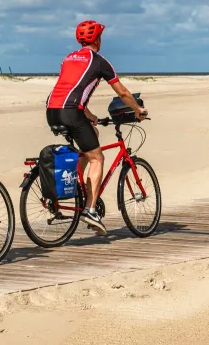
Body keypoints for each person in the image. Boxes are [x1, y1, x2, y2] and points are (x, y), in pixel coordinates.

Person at [46, 20, 147, 236]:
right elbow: (123, 93)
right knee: (97, 158)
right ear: (98, 39)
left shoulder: (69, 58)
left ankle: (72, 190)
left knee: (89, 139)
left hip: (52, 109)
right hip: (71, 111)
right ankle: (90, 211)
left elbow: (72, 90)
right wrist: (138, 109)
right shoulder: (99, 61)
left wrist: (91, 117)